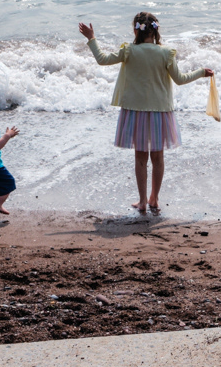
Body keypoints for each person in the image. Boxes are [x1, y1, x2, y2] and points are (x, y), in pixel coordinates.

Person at [78, 12, 213, 215]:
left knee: (140, 158)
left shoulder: (129, 51)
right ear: (156, 31)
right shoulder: (166, 53)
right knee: (158, 158)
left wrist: (91, 38)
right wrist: (201, 72)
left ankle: (142, 201)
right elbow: (180, 79)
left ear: (136, 31)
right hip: (160, 112)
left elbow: (102, 59)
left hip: (135, 112)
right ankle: (154, 199)